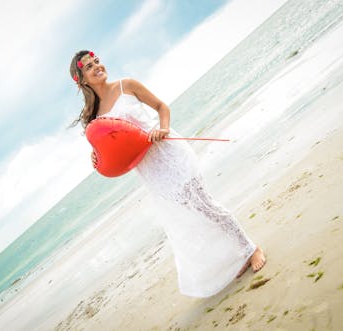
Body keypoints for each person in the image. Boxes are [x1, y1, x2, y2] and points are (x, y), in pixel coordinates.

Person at [69, 50, 266, 297]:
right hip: (150, 171)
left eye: (96, 61)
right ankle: (239, 254)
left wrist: (162, 128)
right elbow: (105, 149)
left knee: (204, 204)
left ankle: (251, 248)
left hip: (169, 152)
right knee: (191, 215)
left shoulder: (126, 85)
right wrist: (95, 157)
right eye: (89, 66)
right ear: (83, 79)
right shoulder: (95, 118)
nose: (97, 66)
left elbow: (162, 107)